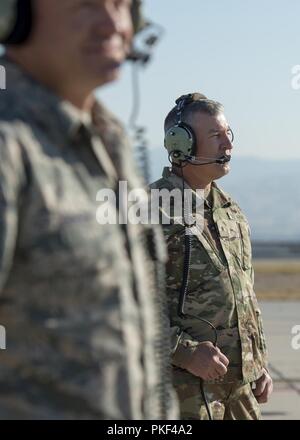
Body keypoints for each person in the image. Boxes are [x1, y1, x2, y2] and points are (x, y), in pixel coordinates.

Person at [0, 0, 178, 420]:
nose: (113, 24)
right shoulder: (10, 147)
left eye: (122, 4)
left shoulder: (109, 141)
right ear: (14, 12)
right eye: (85, 4)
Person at [150, 93, 273, 420]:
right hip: (183, 396)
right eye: (216, 136)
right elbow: (127, 307)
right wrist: (185, 353)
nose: (228, 145)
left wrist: (257, 362)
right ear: (181, 144)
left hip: (239, 392)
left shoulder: (231, 212)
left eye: (228, 134)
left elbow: (244, 294)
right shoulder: (152, 210)